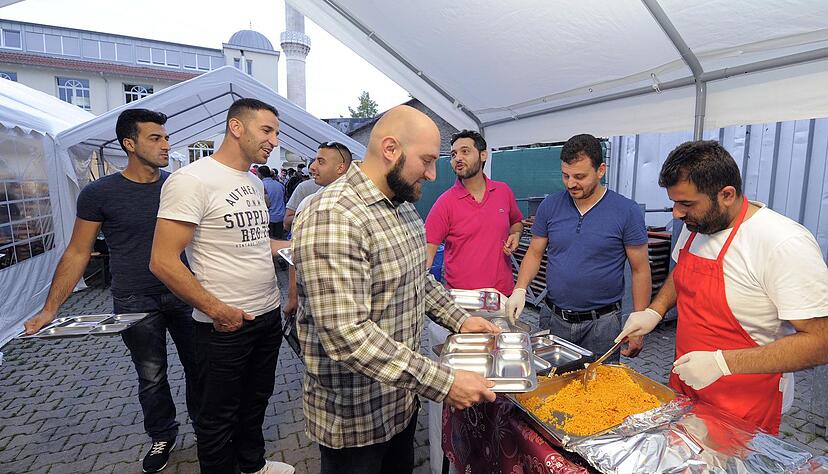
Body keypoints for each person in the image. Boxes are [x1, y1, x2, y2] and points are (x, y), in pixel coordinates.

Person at [292, 105, 500, 474]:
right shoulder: (334, 215)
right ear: (390, 149)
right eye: (427, 160)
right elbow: (348, 337)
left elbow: (417, 279)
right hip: (355, 422)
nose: (434, 174)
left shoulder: (402, 207)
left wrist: (461, 320)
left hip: (400, 405)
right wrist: (445, 382)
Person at [24, 108, 198, 474]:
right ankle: (162, 435)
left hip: (185, 292)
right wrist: (50, 309)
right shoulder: (99, 193)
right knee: (151, 376)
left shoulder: (179, 186)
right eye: (155, 138)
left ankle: (208, 429)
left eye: (166, 137)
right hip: (135, 298)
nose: (166, 144)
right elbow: (77, 251)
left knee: (201, 368)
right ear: (129, 144)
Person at [616, 140, 828, 435]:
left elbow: (820, 343)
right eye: (674, 202)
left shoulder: (782, 243)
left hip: (745, 405)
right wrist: (654, 310)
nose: (676, 213)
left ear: (726, 194)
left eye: (686, 204)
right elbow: (681, 274)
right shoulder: (699, 225)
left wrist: (722, 363)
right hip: (688, 388)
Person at [150, 98, 294, 474]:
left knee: (256, 401)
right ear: (236, 127)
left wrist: (300, 246)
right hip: (223, 325)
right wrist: (218, 310)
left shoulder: (251, 180)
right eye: (267, 130)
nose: (274, 140)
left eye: (276, 132)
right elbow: (163, 260)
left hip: (266, 313)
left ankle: (252, 465)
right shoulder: (192, 179)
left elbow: (256, 242)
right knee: (217, 417)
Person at [506, 133, 650, 362]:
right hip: (554, 319)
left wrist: (639, 322)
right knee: (551, 388)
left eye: (580, 176)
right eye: (566, 176)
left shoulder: (626, 211)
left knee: (598, 391)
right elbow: (534, 253)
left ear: (601, 170)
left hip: (603, 325)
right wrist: (520, 289)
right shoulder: (550, 206)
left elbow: (640, 269)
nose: (571, 183)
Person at [425, 129, 523, 295]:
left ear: (483, 155)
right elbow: (427, 252)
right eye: (454, 154)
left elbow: (516, 223)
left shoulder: (503, 191)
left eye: (465, 151)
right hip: (462, 301)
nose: (458, 158)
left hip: (501, 294)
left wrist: (516, 234)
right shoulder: (445, 203)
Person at [282, 141, 352, 320]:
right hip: (318, 301)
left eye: (321, 162)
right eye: (314, 161)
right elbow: (295, 254)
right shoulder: (309, 202)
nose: (312, 167)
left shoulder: (359, 204)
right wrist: (292, 296)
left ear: (340, 168)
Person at [258, 165, 287, 239]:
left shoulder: (260, 185)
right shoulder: (280, 185)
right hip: (280, 216)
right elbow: (284, 199)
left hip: (268, 218)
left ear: (260, 174)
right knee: (279, 240)